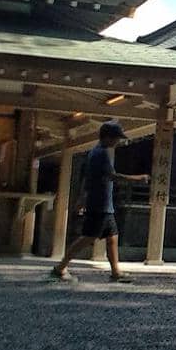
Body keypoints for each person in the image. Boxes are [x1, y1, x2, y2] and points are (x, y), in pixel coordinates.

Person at [50, 121, 148, 283]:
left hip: (103, 204)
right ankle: (60, 267)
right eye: (116, 138)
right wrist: (138, 178)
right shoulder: (101, 154)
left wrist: (82, 198)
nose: (118, 141)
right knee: (87, 237)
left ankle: (116, 272)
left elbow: (87, 179)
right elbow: (112, 176)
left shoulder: (96, 153)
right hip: (99, 203)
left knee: (112, 237)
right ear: (108, 137)